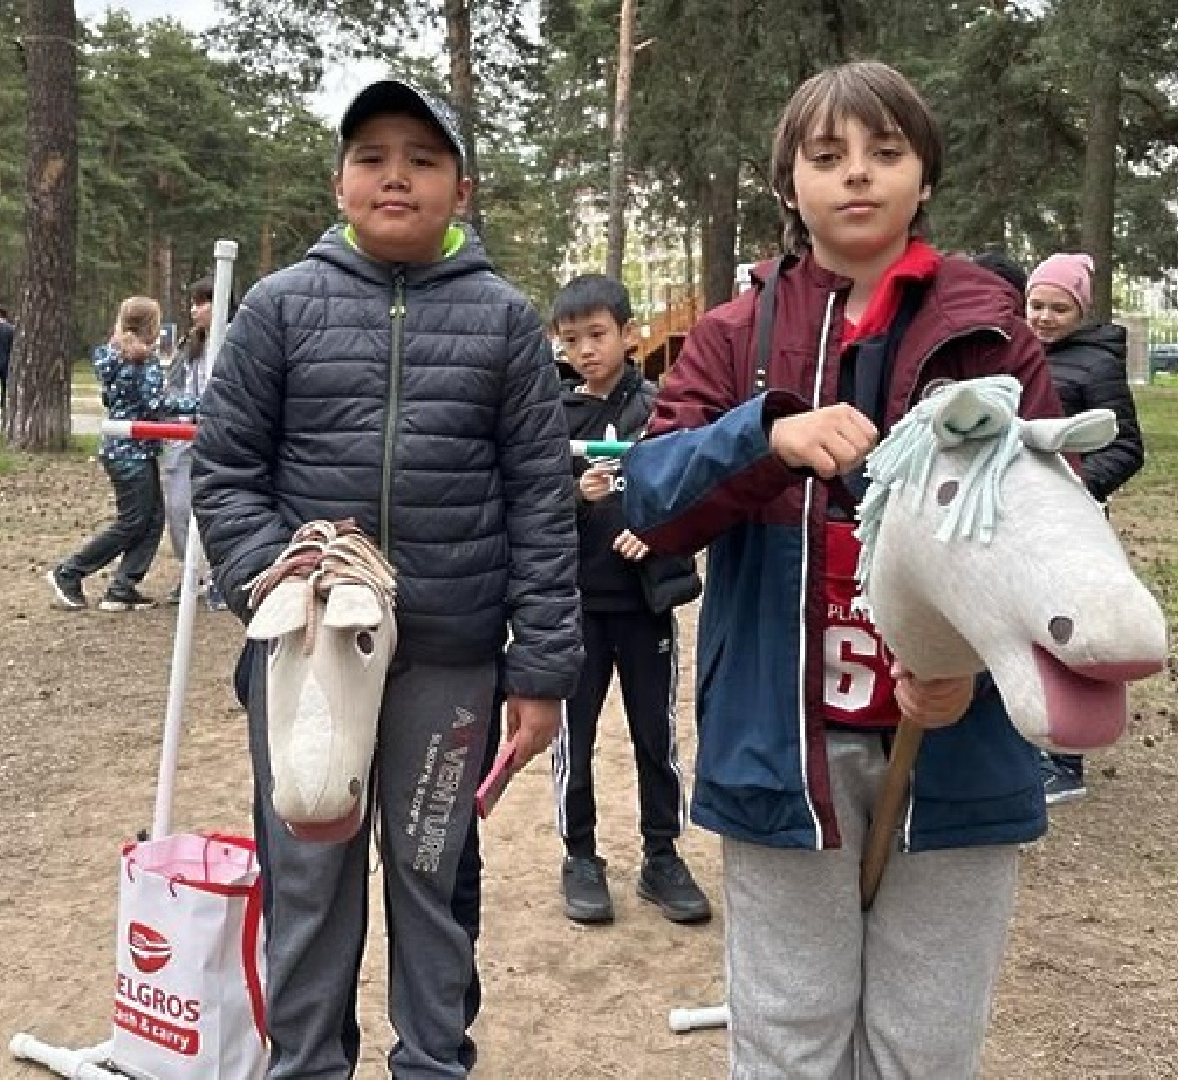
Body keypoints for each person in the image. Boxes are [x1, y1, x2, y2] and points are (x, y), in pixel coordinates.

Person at [622, 61, 1061, 1076]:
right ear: (788, 185)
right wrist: (761, 437)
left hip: (954, 741)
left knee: (926, 1041)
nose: (856, 176)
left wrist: (966, 660)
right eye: (827, 157)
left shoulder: (991, 333)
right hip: (781, 742)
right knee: (788, 1032)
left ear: (925, 175)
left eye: (885, 152)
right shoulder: (735, 338)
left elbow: (1047, 529)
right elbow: (651, 500)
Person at [190, 79, 581, 1076]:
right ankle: (306, 1064)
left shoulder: (504, 322)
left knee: (429, 868)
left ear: (462, 188)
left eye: (422, 157)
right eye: (372, 156)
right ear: (339, 182)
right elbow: (224, 470)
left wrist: (539, 668)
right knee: (309, 874)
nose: (395, 175)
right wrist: (272, 578)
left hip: (450, 661)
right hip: (304, 661)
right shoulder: (278, 309)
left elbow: (541, 500)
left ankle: (433, 1061)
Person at [546, 273, 709, 926]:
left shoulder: (660, 410)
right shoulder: (553, 417)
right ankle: (579, 856)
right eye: (571, 339)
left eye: (596, 334)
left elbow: (693, 493)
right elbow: (529, 507)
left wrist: (657, 532)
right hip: (577, 608)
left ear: (627, 333)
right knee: (573, 740)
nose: (585, 349)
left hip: (646, 609)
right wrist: (573, 496)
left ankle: (661, 856)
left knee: (654, 737)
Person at [1024, 251, 1146, 804]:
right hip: (1013, 516)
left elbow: (1126, 446)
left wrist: (1074, 486)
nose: (1044, 317)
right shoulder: (1014, 353)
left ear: (1081, 310)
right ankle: (1019, 742)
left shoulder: (1097, 365)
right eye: (1036, 304)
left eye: (1058, 308)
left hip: (1069, 519)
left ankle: (1065, 760)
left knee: (1063, 631)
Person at [45, 297, 169, 612]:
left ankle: (123, 586)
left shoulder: (110, 357)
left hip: (127, 449)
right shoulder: (143, 362)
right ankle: (69, 572)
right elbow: (156, 405)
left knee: (153, 519)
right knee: (133, 522)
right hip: (132, 453)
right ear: (152, 328)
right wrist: (199, 405)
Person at [159, 276, 225, 609]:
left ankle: (221, 577)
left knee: (219, 508)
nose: (194, 310)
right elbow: (173, 389)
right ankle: (191, 573)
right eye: (193, 303)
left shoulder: (240, 340)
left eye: (203, 302)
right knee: (179, 507)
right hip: (186, 437)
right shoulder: (190, 345)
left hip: (224, 437)